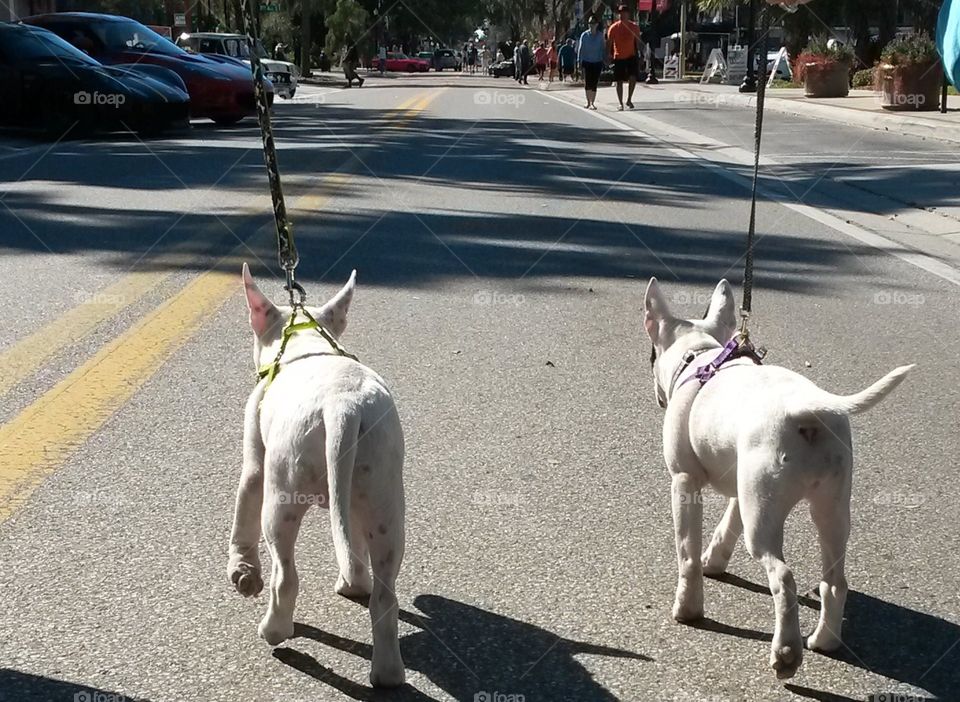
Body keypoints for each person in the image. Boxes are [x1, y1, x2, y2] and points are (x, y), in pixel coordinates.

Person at [606, 3, 641, 110]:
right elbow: (609, 43)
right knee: (619, 81)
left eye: (624, 13)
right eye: (620, 13)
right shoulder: (613, 28)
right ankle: (620, 103)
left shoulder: (634, 27)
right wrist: (608, 55)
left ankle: (629, 99)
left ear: (628, 14)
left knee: (632, 78)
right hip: (618, 56)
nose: (622, 15)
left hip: (631, 55)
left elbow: (638, 42)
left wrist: (640, 54)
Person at [578, 16, 605, 109]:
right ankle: (588, 102)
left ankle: (592, 102)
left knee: (594, 82)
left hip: (597, 61)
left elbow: (603, 48)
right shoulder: (584, 35)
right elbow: (580, 49)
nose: (591, 25)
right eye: (590, 23)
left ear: (597, 24)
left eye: (593, 23)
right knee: (587, 81)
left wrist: (605, 58)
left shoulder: (600, 35)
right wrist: (579, 61)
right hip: (586, 61)